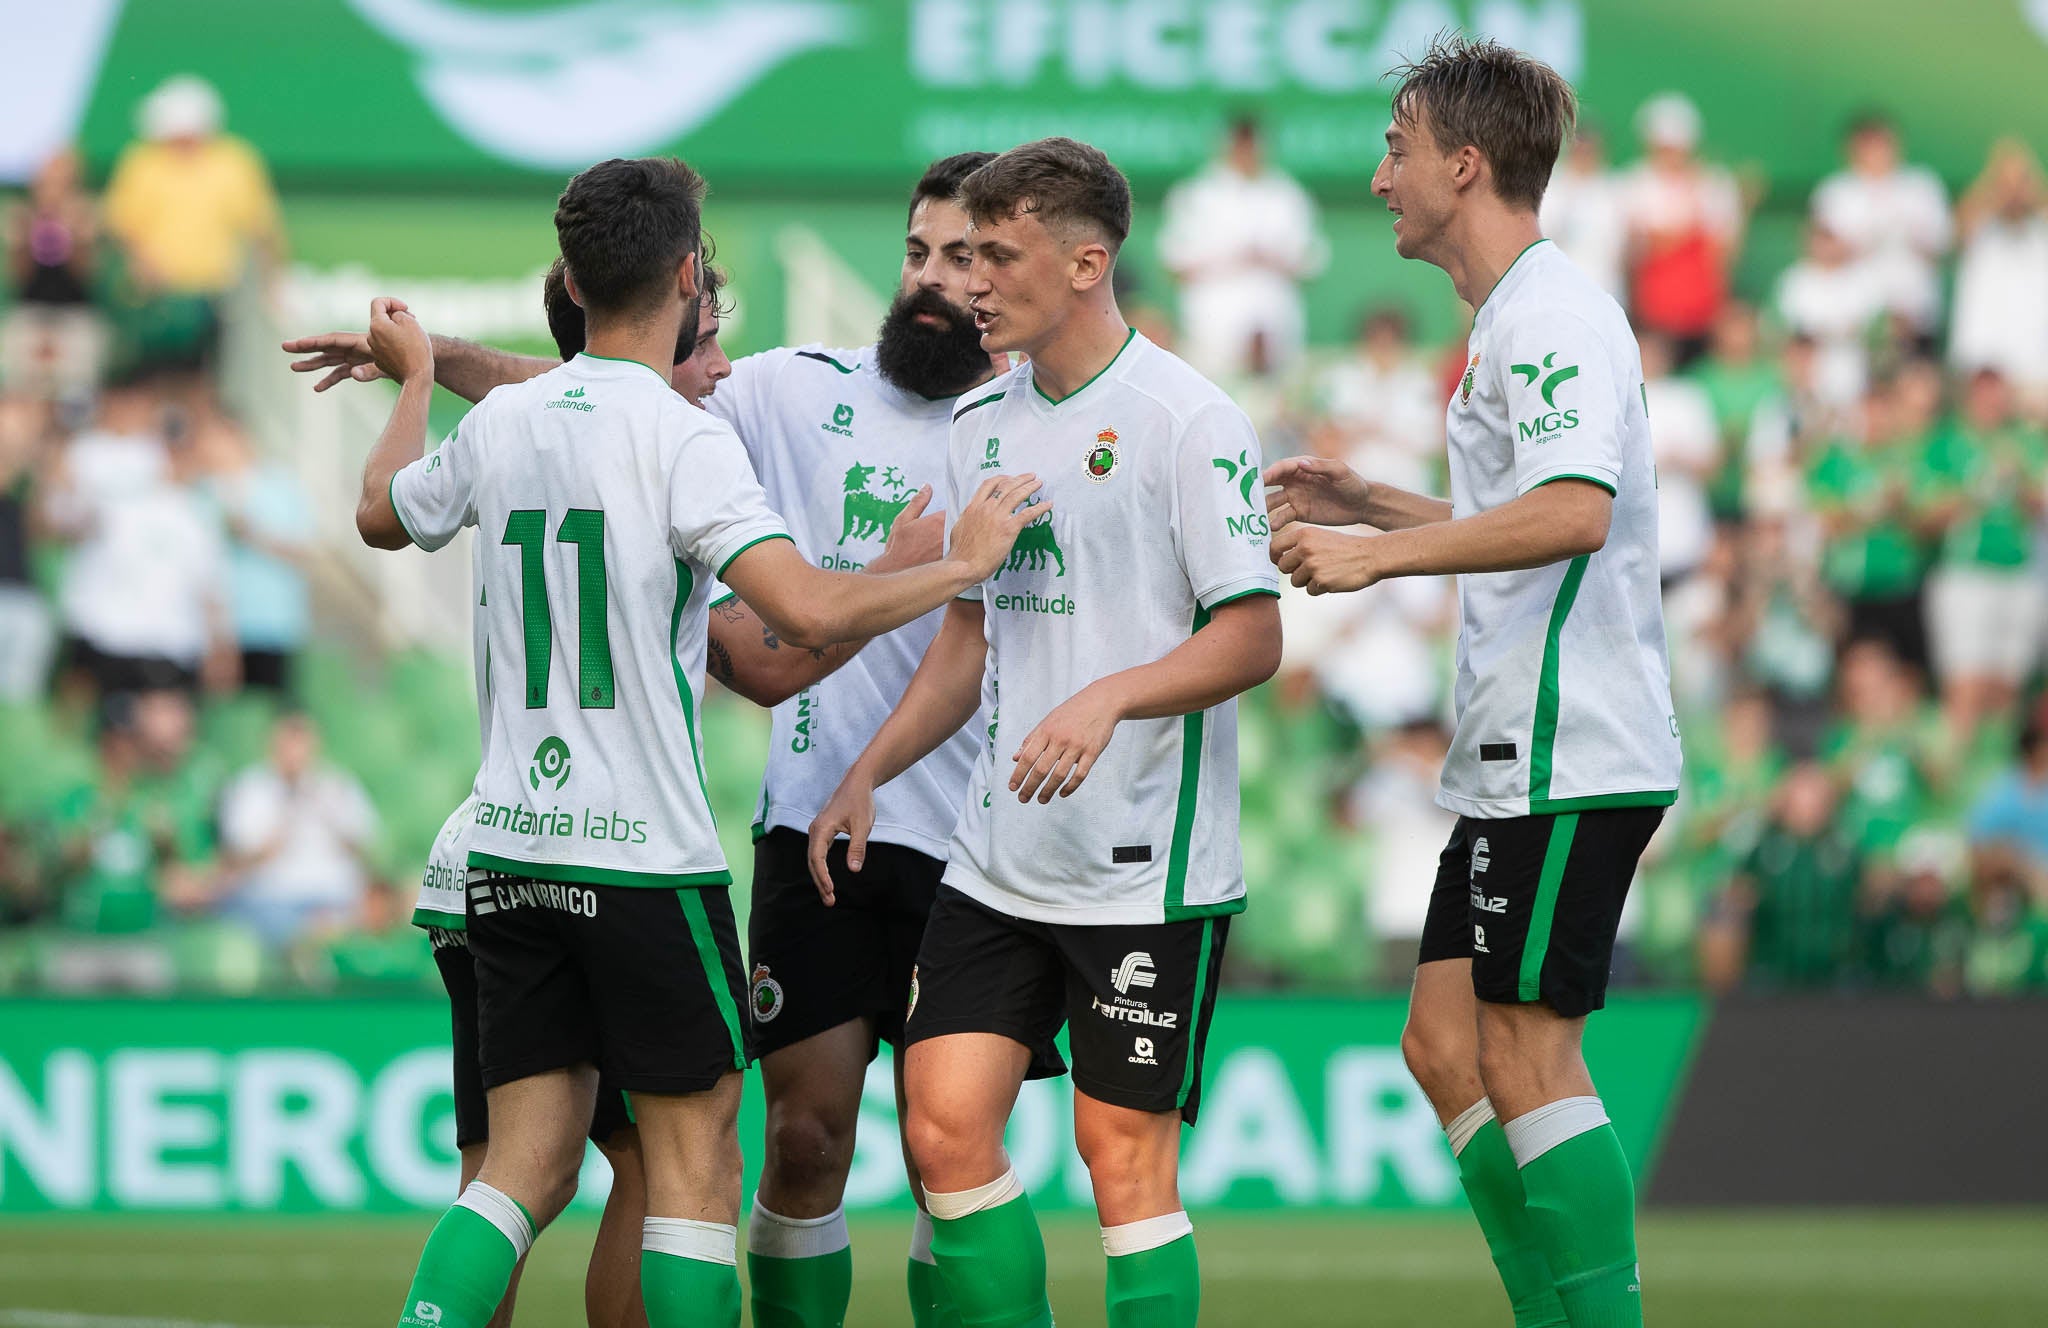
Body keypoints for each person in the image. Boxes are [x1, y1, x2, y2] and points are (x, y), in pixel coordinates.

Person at [290, 158, 1006, 1328]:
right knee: (694, 1169)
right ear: (685, 274)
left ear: (573, 278)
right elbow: (805, 616)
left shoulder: (509, 419)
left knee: (519, 1170)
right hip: (640, 856)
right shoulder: (685, 440)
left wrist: (416, 378)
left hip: (508, 849)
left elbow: (379, 512)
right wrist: (955, 565)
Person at [808, 136, 1282, 1328]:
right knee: (940, 1128)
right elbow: (967, 644)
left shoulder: (1189, 418)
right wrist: (866, 772)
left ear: (1085, 261)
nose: (971, 283)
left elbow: (1252, 637)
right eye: (965, 256)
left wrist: (1109, 692)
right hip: (995, 859)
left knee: (1121, 1163)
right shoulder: (979, 426)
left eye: (999, 256)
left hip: (1140, 869)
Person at [1264, 38, 1680, 1328]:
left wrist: (1377, 552)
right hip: (1516, 750)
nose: (1380, 177)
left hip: (1570, 747)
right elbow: (1524, 508)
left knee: (1523, 1049)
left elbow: (1567, 513)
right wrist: (1374, 495)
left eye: (1396, 149)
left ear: (1464, 162)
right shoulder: (1512, 318)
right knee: (1441, 1046)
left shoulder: (1548, 313)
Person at [1158, 115, 1326, 380]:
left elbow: (1312, 261)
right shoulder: (1197, 194)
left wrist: (1269, 258)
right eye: (1240, 143)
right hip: (1213, 330)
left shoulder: (1287, 195)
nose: (1246, 151)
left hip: (1276, 327)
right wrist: (1232, 258)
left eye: (1252, 144)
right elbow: (1175, 263)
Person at [215, 709, 380, 946]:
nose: (295, 752)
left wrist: (329, 816)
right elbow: (236, 860)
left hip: (333, 895)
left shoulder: (337, 785)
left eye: (302, 742)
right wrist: (285, 818)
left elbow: (365, 849)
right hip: (273, 898)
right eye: (288, 742)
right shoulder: (249, 788)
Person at [1617, 92, 1744, 365]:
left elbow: (1724, 252)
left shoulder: (1714, 184)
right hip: (1652, 314)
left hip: (1702, 315)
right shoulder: (1634, 184)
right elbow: (1636, 249)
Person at [1809, 112, 1951, 341]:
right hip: (1858, 317)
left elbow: (1942, 245)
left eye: (1882, 143)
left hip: (1915, 313)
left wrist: (1907, 232)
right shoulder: (1835, 192)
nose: (1876, 152)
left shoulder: (1922, 187)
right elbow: (1822, 253)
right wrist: (1866, 239)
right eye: (1868, 145)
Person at [1949, 139, 2048, 413]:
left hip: (2035, 371)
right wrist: (1996, 178)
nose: (2013, 191)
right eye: (2004, 183)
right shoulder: (1979, 233)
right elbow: (1959, 223)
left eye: (2020, 183)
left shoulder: (2041, 235)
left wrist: (2031, 186)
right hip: (1980, 370)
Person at [2, 148, 104, 402]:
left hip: (75, 314)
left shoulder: (86, 216)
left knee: (76, 395)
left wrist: (77, 238)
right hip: (30, 312)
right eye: (48, 180)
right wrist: (24, 238)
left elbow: (88, 275)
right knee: (19, 391)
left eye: (62, 180)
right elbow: (18, 276)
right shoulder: (21, 215)